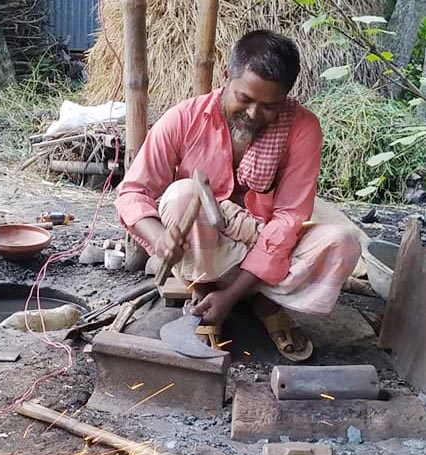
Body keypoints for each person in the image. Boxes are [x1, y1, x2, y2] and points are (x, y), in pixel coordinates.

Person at [115, 29, 361, 361]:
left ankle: (255, 299)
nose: (253, 114)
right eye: (244, 99)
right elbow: (133, 192)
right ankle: (203, 293)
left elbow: (289, 219)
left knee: (342, 242)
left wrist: (232, 295)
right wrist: (158, 238)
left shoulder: (302, 128)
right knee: (182, 195)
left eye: (270, 106)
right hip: (208, 252)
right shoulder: (185, 118)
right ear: (226, 76)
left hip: (269, 248)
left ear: (287, 96)